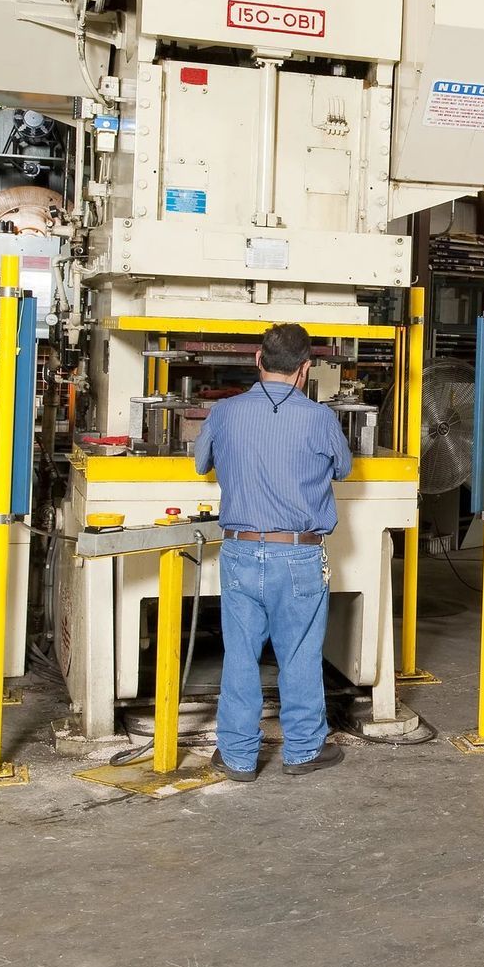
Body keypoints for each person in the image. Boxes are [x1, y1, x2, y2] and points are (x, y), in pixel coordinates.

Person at [194, 323, 353, 781]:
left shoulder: (225, 412)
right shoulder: (320, 419)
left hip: (240, 553)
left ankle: (238, 757)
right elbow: (342, 467)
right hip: (299, 554)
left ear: (257, 362)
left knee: (240, 654)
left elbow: (201, 462)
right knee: (300, 653)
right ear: (305, 370)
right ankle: (302, 751)